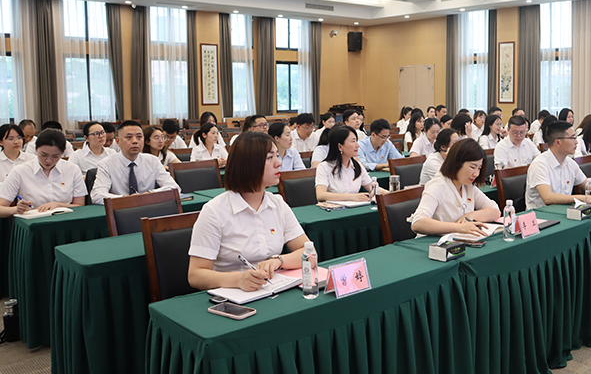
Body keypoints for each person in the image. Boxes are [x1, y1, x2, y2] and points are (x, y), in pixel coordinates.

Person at [187, 131, 312, 291]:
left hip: (270, 289)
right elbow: (195, 275)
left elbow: (309, 253)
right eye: (270, 157)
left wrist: (278, 260)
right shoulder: (214, 211)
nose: (278, 163)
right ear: (249, 164)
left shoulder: (277, 203)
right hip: (233, 294)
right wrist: (238, 279)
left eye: (276, 156)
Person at [409, 139, 499, 237]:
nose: (476, 174)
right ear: (457, 163)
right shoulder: (438, 185)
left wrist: (471, 215)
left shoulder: (467, 186)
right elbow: (417, 223)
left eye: (479, 168)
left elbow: (495, 210)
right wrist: (458, 227)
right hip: (433, 243)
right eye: (472, 167)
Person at [525, 121, 591, 210]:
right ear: (558, 142)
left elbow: (586, 184)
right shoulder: (540, 164)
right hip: (540, 216)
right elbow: (548, 198)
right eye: (572, 138)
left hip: (563, 211)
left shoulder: (570, 162)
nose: (576, 141)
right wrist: (581, 198)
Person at [90, 121, 181, 205]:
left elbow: (174, 188)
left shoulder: (153, 161)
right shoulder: (106, 164)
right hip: (122, 210)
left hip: (149, 208)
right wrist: (127, 199)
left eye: (139, 137)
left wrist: (148, 194)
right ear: (118, 141)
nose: (135, 141)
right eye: (129, 137)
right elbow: (97, 195)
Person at [0, 129, 86, 216]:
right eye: (44, 155)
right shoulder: (20, 171)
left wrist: (58, 205)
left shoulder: (72, 169)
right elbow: (1, 208)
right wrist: (17, 209)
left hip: (66, 219)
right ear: (36, 149)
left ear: (62, 153)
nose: (48, 160)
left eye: (55, 156)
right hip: (34, 221)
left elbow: (80, 205)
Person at [315, 127, 388, 202]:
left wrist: (390, 194)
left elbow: (373, 188)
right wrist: (352, 197)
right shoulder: (324, 167)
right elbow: (321, 195)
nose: (357, 145)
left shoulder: (357, 165)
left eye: (356, 141)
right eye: (353, 141)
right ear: (340, 147)